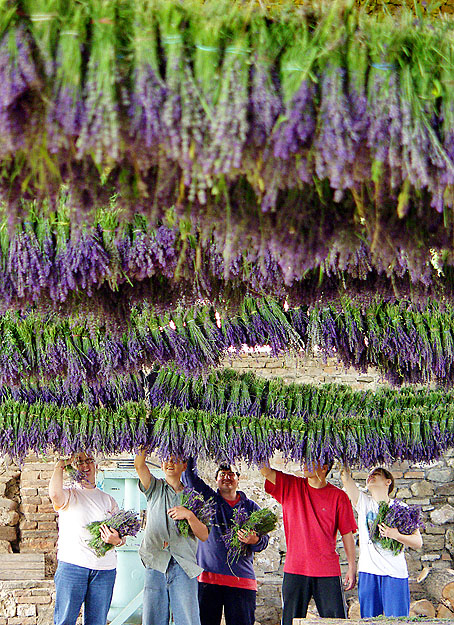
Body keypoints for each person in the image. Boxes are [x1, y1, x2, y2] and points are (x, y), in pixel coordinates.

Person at [260, 460, 357, 625]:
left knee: (336, 622)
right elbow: (265, 471)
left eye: (312, 461)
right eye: (304, 460)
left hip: (327, 569)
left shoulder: (338, 496)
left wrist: (352, 567)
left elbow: (347, 533)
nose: (304, 464)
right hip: (295, 568)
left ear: (324, 468)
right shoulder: (290, 486)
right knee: (290, 621)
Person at [182, 457, 270, 625]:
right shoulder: (209, 501)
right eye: (222, 474)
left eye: (232, 474)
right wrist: (191, 450)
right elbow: (190, 479)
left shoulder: (251, 508)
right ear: (216, 480)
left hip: (241, 582)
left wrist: (254, 539)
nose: (227, 477)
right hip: (208, 580)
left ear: (238, 479)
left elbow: (264, 541)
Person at [49, 451, 125, 625]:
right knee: (65, 620)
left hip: (104, 570)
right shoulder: (69, 495)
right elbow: (54, 494)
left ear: (96, 466)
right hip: (73, 566)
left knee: (97, 621)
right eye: (79, 462)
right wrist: (60, 464)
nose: (85, 465)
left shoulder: (108, 500)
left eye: (89, 461)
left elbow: (122, 536)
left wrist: (117, 540)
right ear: (73, 467)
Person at [134, 451, 209, 625]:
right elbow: (139, 465)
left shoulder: (194, 498)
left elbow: (204, 535)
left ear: (184, 466)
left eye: (175, 460)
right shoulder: (155, 488)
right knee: (153, 619)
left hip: (184, 565)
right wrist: (143, 445)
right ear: (161, 464)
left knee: (188, 620)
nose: (169, 463)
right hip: (156, 562)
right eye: (166, 459)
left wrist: (189, 515)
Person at [340, 465, 423, 618]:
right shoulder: (364, 503)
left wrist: (396, 535)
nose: (370, 476)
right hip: (369, 572)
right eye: (369, 475)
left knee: (398, 620)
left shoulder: (402, 508)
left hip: (395, 573)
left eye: (376, 474)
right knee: (369, 619)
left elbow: (418, 542)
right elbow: (345, 477)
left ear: (388, 482)